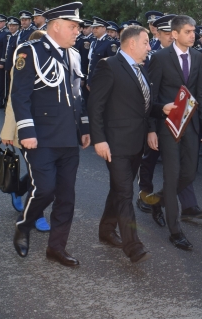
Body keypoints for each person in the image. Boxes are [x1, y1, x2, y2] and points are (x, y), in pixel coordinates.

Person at [11, 2, 91, 267]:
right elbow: (19, 96)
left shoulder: (74, 55)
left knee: (66, 196)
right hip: (41, 137)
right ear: (55, 26)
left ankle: (56, 247)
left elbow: (79, 96)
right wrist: (26, 131)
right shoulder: (30, 51)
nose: (77, 31)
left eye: (78, 27)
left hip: (68, 137)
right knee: (44, 190)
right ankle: (25, 224)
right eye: (73, 26)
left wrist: (85, 128)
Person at [143, 15, 202, 251]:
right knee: (172, 176)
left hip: (191, 125)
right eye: (188, 32)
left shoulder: (197, 57)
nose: (193, 35)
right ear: (174, 34)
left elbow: (200, 93)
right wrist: (151, 129)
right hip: (167, 125)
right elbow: (151, 97)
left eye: (194, 31)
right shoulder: (160, 58)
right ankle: (175, 231)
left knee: (189, 173)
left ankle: (158, 200)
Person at [89, 24, 153, 264]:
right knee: (126, 192)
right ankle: (133, 246)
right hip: (115, 144)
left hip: (136, 143)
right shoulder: (109, 66)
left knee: (118, 188)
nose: (149, 47)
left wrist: (163, 109)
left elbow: (143, 107)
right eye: (146, 42)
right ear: (132, 43)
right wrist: (99, 139)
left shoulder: (141, 69)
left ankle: (106, 230)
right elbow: (95, 106)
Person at [1, 28, 51, 233]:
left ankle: (17, 189)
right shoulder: (23, 66)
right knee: (38, 175)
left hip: (47, 129)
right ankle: (35, 215)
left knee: (38, 173)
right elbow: (15, 102)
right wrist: (8, 132)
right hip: (25, 129)